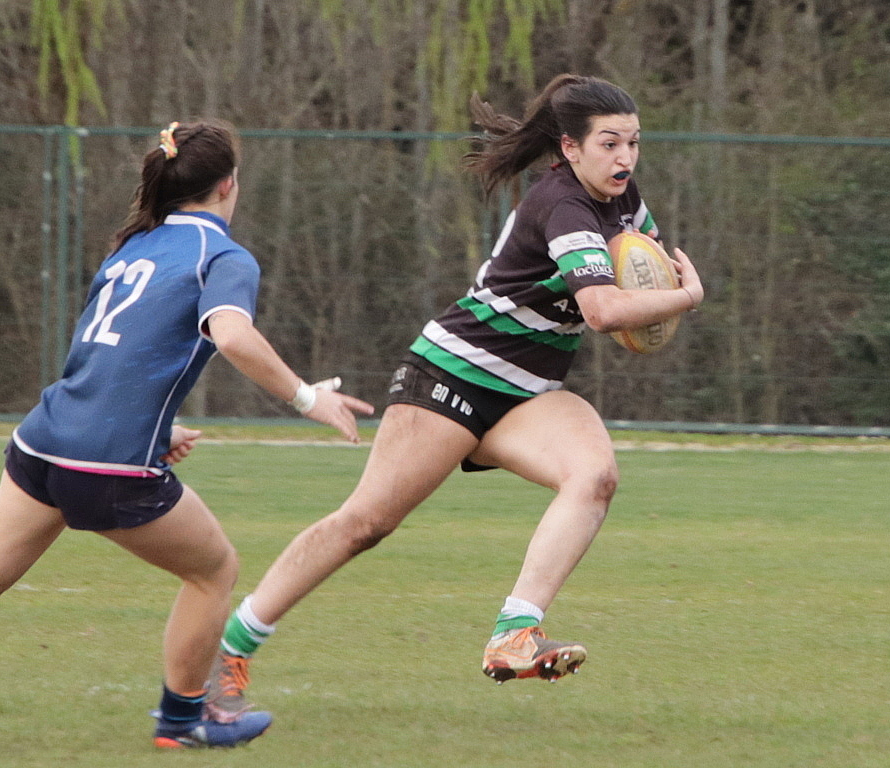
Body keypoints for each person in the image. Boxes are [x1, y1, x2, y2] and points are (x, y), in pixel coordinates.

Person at [0, 119, 374, 749]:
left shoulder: (133, 248)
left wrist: (158, 427)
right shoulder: (222, 255)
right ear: (227, 186)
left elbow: (106, 359)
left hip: (45, 441)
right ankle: (183, 721)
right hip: (107, 466)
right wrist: (309, 398)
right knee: (214, 572)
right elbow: (234, 336)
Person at [204, 74, 705, 721]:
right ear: (569, 150)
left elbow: (641, 271)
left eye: (633, 143)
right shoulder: (563, 204)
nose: (625, 158)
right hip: (453, 376)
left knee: (595, 475)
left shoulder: (622, 198)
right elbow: (606, 309)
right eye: (609, 144)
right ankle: (230, 650)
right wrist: (683, 298)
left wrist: (658, 292)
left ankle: (514, 635)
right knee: (364, 524)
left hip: (528, 391)